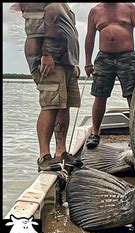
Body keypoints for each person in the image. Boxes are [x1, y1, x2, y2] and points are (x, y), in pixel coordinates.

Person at [14, 2, 83, 172]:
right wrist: (46, 54)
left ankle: (61, 152)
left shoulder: (62, 5)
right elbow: (35, 29)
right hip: (51, 61)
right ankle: (44, 156)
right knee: (50, 106)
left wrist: (73, 61)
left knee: (64, 105)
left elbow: (66, 29)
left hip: (65, 61)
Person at [84, 3, 135, 148]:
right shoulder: (95, 11)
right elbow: (90, 37)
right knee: (100, 95)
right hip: (104, 57)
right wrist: (88, 62)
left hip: (126, 56)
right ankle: (95, 133)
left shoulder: (129, 7)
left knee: (132, 95)